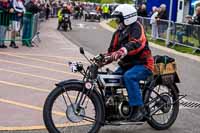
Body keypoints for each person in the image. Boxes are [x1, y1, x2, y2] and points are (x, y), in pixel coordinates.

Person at [106, 4, 154, 121]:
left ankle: (139, 109)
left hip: (143, 64)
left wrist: (123, 50)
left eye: (119, 19)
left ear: (127, 18)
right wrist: (101, 59)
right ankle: (110, 110)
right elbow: (111, 51)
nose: (117, 22)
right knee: (109, 80)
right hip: (127, 65)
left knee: (129, 77)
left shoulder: (137, 27)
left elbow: (137, 43)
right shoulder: (118, 32)